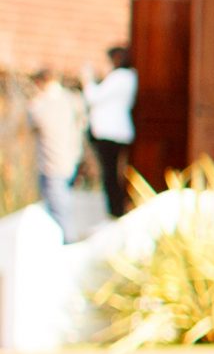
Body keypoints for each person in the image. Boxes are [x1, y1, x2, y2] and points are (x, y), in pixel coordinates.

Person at [26, 69, 86, 239]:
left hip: (52, 161)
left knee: (57, 208)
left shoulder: (44, 103)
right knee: (61, 204)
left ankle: (65, 243)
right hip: (70, 158)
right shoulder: (72, 99)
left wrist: (35, 101)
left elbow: (33, 120)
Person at [85, 45, 138, 218]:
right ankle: (117, 208)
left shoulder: (120, 77)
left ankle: (116, 210)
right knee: (113, 172)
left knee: (111, 173)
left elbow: (93, 96)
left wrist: (88, 80)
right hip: (116, 131)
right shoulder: (128, 77)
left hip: (110, 132)